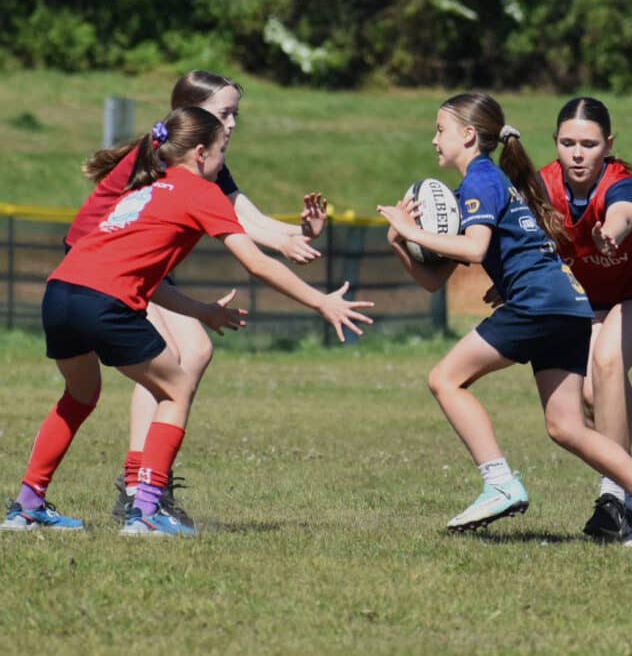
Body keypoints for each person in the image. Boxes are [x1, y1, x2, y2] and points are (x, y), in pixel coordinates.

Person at [1, 107, 373, 536]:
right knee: (176, 389)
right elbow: (257, 264)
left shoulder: (145, 189)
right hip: (101, 301)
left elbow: (146, 280)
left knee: (80, 395)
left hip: (60, 293)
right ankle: (145, 513)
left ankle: (26, 507)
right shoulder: (201, 192)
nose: (223, 160)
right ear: (200, 153)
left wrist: (202, 311)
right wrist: (320, 302)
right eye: (222, 150)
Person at [377, 92, 632, 547]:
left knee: (445, 379)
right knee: (564, 426)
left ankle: (499, 482)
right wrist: (397, 241)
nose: (434, 140)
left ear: (468, 135)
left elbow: (475, 249)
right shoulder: (491, 183)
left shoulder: (482, 179)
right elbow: (433, 280)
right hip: (570, 304)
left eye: (440, 130)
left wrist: (413, 231)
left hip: (538, 303)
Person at [69, 71, 329, 525]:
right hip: (105, 269)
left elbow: (247, 217)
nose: (231, 124)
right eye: (224, 114)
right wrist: (284, 244)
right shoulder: (166, 158)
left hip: (126, 269)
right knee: (174, 361)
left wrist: (297, 233)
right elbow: (241, 227)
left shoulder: (203, 159)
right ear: (192, 114)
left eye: (235, 115)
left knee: (193, 352)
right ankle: (140, 486)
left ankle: (145, 483)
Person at [535, 97, 632, 541]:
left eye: (589, 143)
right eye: (568, 143)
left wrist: (612, 230)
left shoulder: (620, 184)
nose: (578, 153)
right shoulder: (544, 185)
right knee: (590, 391)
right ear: (556, 144)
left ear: (608, 145)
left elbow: (625, 210)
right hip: (594, 296)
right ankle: (629, 496)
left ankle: (617, 499)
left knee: (607, 362)